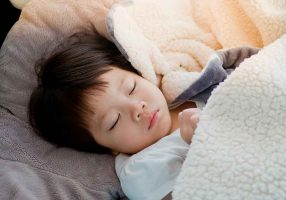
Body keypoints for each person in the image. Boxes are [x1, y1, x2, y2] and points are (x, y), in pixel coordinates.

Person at [28, 32, 201, 200]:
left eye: (131, 87)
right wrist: (200, 143)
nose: (137, 108)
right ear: (107, 148)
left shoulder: (187, 82)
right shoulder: (141, 169)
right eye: (114, 121)